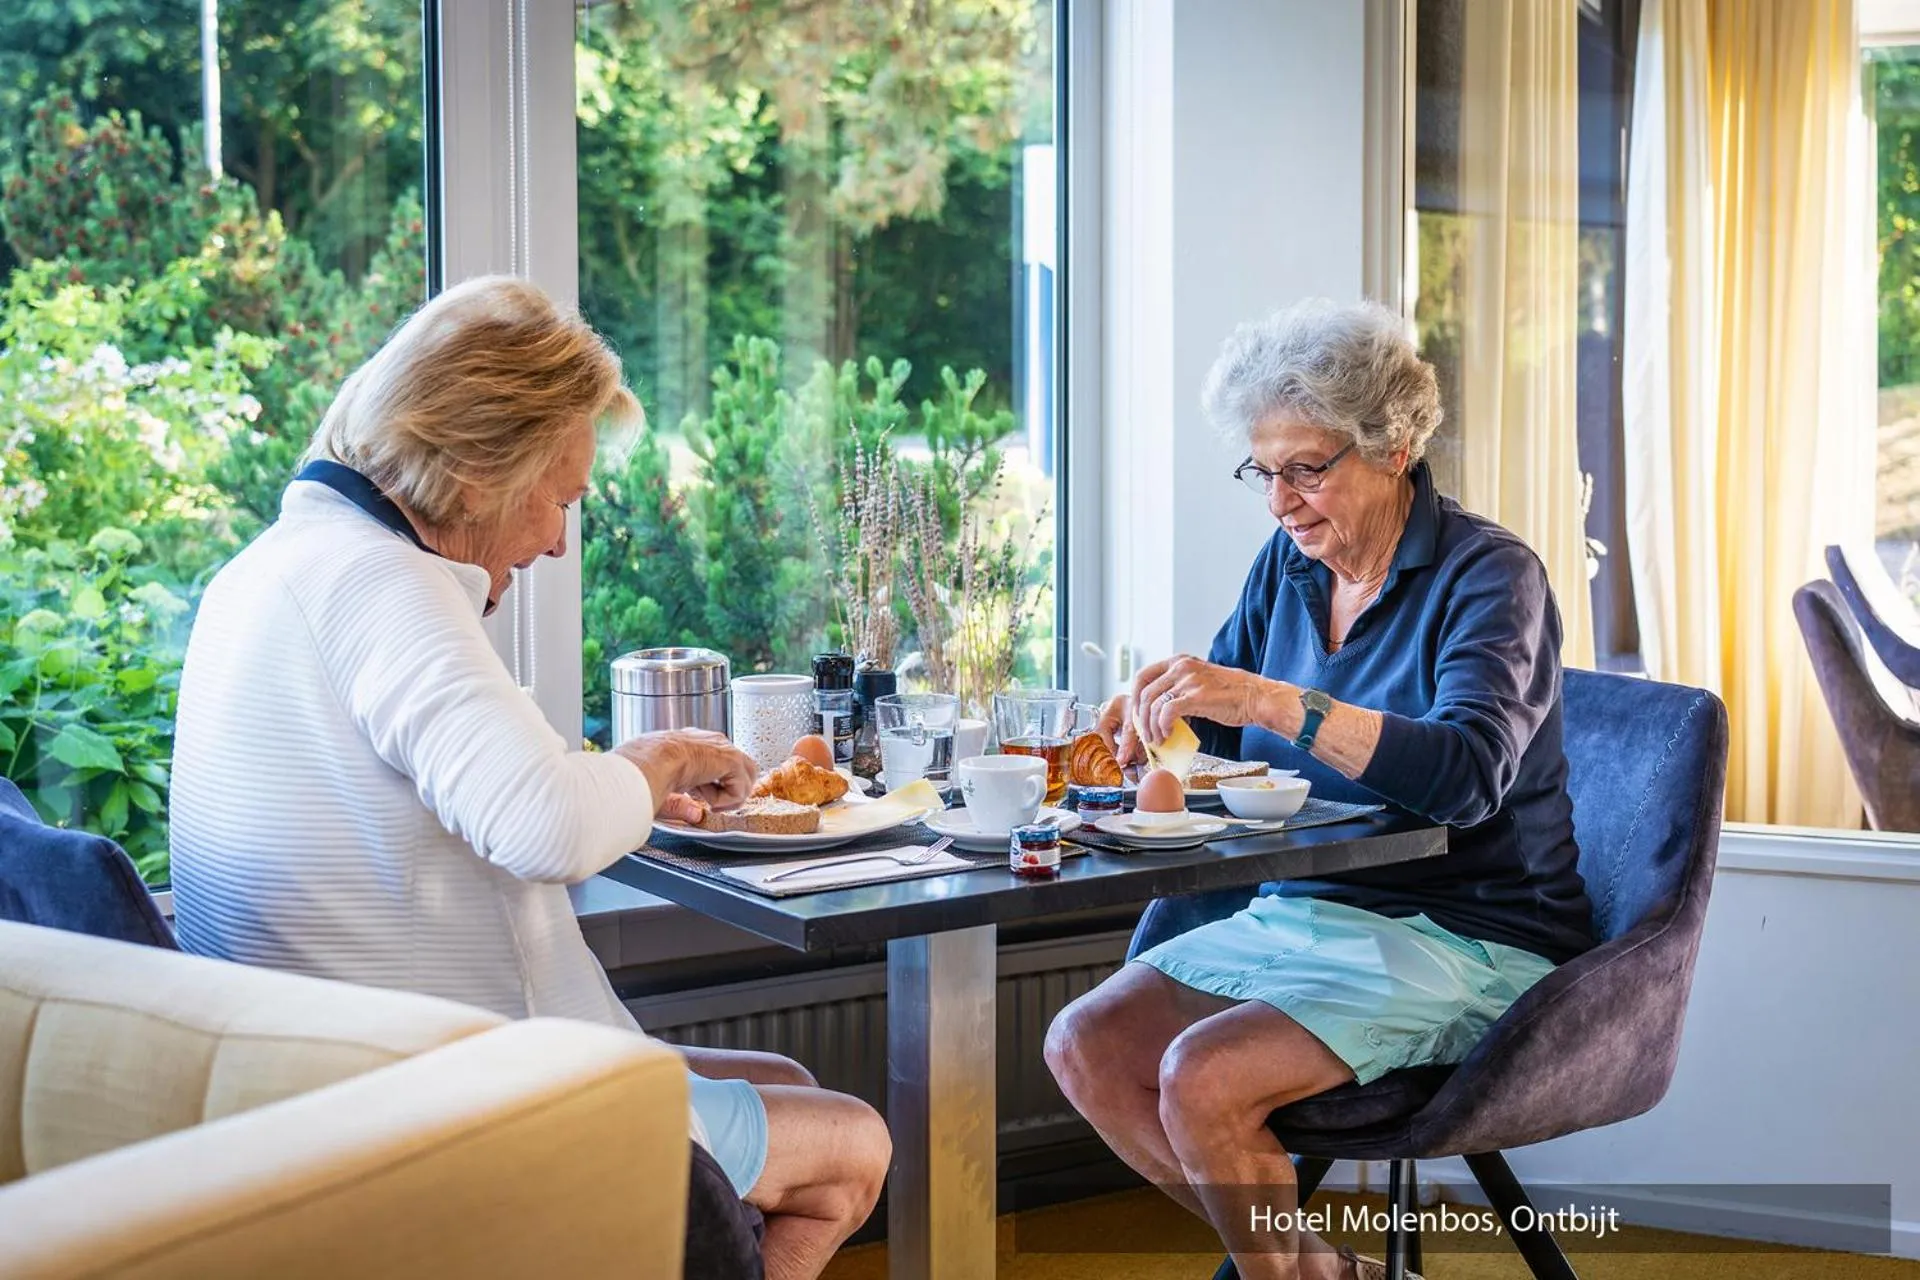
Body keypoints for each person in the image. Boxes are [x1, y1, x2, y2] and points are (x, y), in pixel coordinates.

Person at [169, 275, 888, 1280]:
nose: (557, 540)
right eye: (559, 500)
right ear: (479, 471)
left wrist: (627, 783)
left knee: (784, 1081)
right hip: (463, 1108)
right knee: (853, 1145)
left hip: (339, 1084)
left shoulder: (272, 568)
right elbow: (545, 826)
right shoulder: (384, 584)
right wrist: (658, 757)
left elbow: (472, 796)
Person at [1044, 300, 1594, 1280]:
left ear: (1396, 447)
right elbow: (1220, 722)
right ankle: (1328, 1271)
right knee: (1086, 1042)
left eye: (1306, 469)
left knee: (1202, 1079)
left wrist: (1274, 699)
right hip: (1308, 906)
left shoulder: (1490, 575)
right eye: (1264, 471)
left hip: (1470, 932)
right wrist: (1154, 718)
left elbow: (1468, 774)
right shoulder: (1289, 567)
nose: (1281, 502)